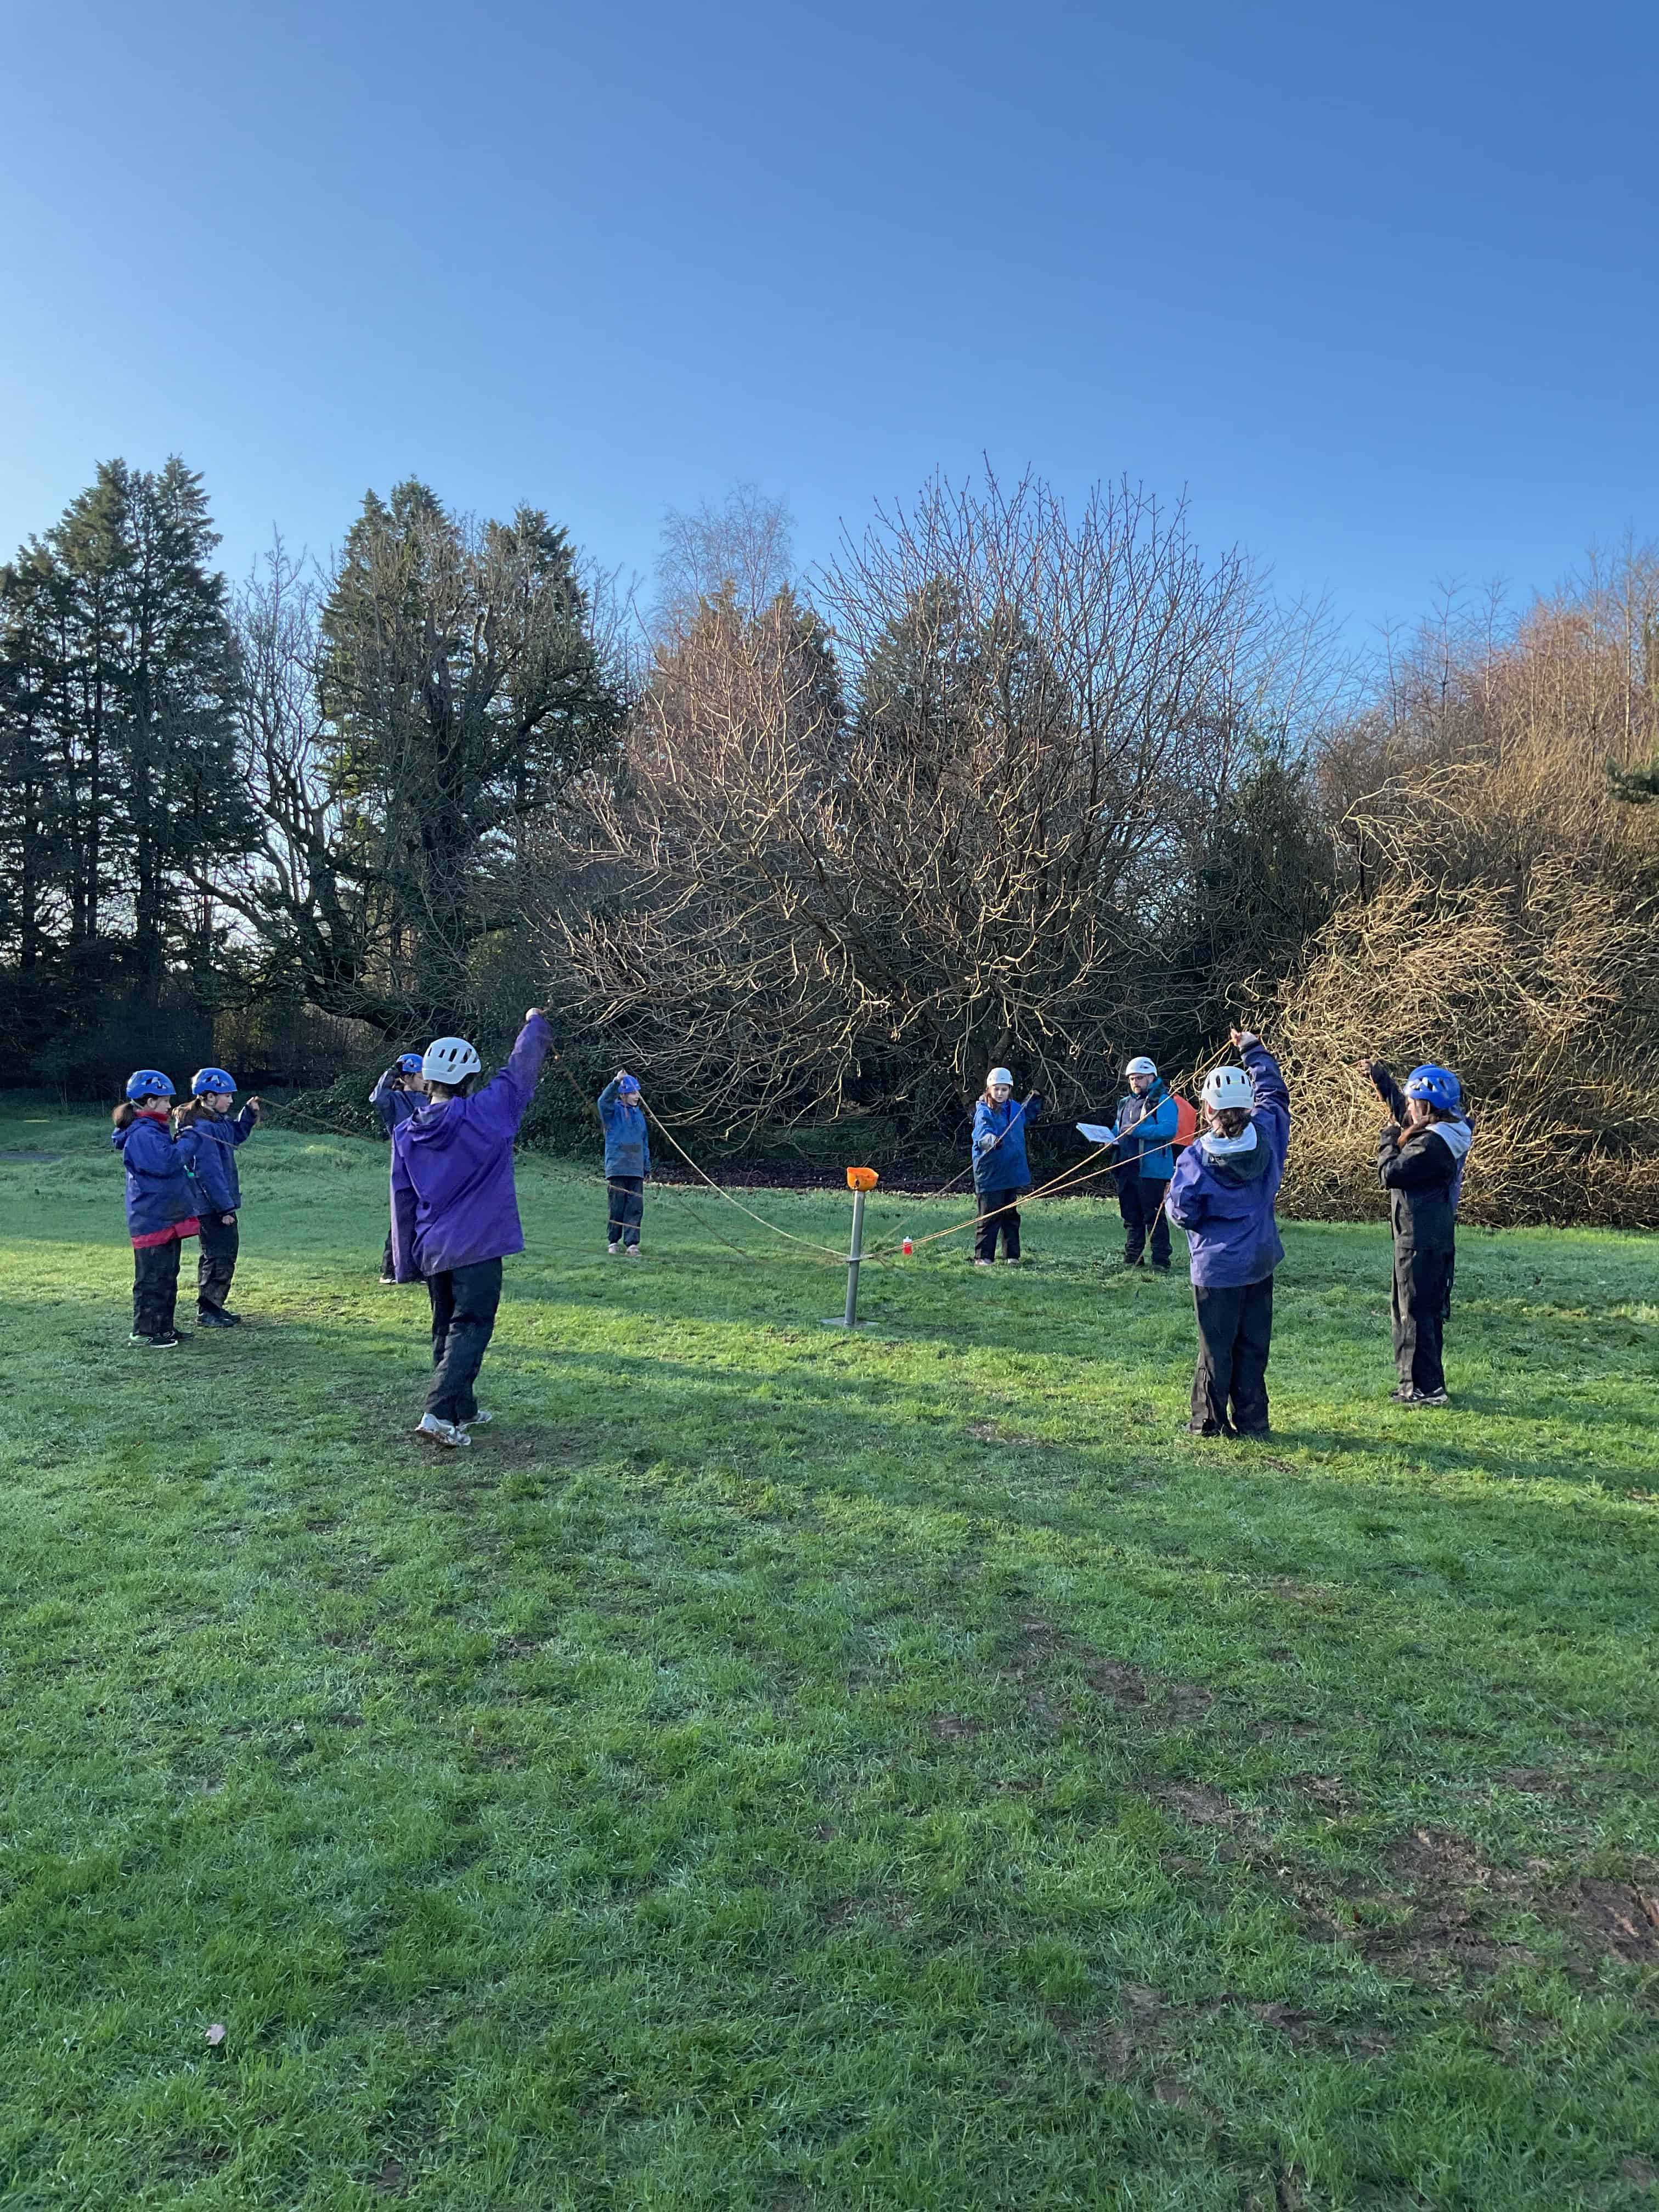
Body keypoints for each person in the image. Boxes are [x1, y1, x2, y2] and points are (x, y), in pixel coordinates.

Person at [390, 1011, 553, 1449]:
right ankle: (439, 1413)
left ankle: (461, 1407)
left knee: (446, 1324)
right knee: (472, 1325)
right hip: (478, 1246)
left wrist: (404, 1263)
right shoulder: (489, 1111)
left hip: (432, 1247)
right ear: (468, 1079)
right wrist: (535, 1024)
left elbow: (402, 1200)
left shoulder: (406, 1131)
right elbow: (520, 1070)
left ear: (428, 1080)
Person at [1164, 1029, 1291, 1439]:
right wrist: (1252, 1050)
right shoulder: (1269, 1132)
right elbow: (1275, 1092)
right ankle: (1254, 1423)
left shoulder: (1194, 1160)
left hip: (1216, 1270)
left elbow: (1183, 1213)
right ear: (1246, 1107)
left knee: (1217, 1349)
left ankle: (1209, 1422)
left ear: (1208, 1109)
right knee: (1253, 1346)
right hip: (1259, 1260)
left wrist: (1172, 1199)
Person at [1361, 1058, 1472, 1408]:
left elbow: (1391, 1173)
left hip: (1419, 1238)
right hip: (1428, 1235)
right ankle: (1430, 1384)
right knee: (1422, 1311)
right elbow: (1404, 1115)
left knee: (1413, 1313)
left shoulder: (1431, 1145)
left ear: (1427, 1105)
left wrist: (1388, 1139)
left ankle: (1420, 1389)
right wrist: (1381, 1080)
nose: (1408, 1107)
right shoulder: (1445, 1130)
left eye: (1414, 1101)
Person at [111, 1071, 201, 1347]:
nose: (169, 1106)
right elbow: (167, 1163)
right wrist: (188, 1138)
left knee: (167, 1275)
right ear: (150, 1102)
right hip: (152, 1217)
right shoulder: (142, 1134)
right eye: (165, 1101)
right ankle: (144, 1332)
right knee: (151, 1279)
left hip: (166, 1214)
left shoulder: (154, 1129)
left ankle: (164, 1327)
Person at [176, 1068, 263, 1328]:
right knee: (220, 1255)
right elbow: (209, 1173)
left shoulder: (217, 1122)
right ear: (209, 1097)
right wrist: (224, 1208)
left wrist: (248, 1114)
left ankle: (214, 1306)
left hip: (214, 1204)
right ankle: (209, 1310)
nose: (231, 1100)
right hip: (210, 1206)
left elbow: (235, 1136)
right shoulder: (203, 1128)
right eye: (227, 1096)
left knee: (219, 1254)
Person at [1110, 1056, 1180, 1271]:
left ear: (1152, 1077)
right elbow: (1117, 1129)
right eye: (1132, 1079)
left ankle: (1160, 1259)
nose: (1135, 1083)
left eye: (1139, 1078)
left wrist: (1138, 1130)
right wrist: (1107, 1138)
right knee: (1131, 1215)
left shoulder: (1164, 1101)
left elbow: (1169, 1129)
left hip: (1152, 1170)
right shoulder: (1124, 1103)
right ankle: (1134, 1256)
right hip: (1126, 1167)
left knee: (1154, 1216)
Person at [972, 1067, 1043, 1266]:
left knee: (1010, 1215)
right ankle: (983, 1257)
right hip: (991, 1173)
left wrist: (1035, 1099)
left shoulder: (1015, 1108)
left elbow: (1027, 1115)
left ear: (1010, 1090)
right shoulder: (984, 1110)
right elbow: (981, 1133)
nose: (1000, 1093)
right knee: (989, 1216)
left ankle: (1012, 1255)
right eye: (997, 1089)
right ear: (989, 1089)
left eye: (1004, 1089)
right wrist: (991, 1140)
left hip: (1011, 1172)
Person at [371, 1054, 427, 1281]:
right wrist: (392, 1073)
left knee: (424, 1216)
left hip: (427, 1163)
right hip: (404, 1164)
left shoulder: (430, 1098)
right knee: (402, 1216)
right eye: (421, 1076)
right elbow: (377, 1098)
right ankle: (392, 1269)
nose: (426, 1080)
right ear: (408, 1077)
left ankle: (422, 1268)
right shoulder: (394, 1101)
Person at [597, 1069, 650, 1255]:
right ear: (624, 1094)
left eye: (637, 1092)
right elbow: (603, 1102)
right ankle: (613, 1242)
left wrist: (646, 1165)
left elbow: (644, 1142)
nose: (637, 1096)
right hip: (618, 1167)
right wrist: (616, 1082)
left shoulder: (639, 1116)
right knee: (617, 1206)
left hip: (636, 1169)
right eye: (633, 1093)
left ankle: (632, 1244)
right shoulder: (612, 1113)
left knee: (635, 1208)